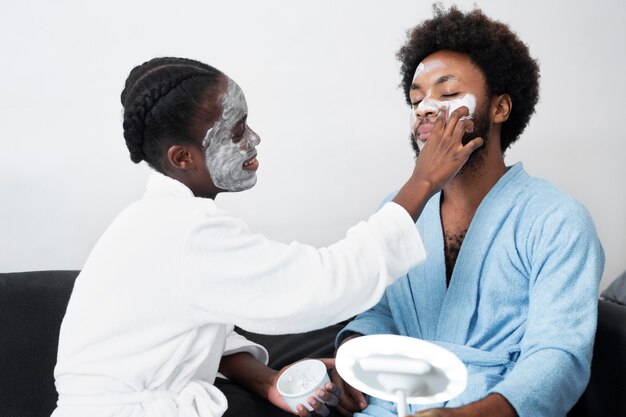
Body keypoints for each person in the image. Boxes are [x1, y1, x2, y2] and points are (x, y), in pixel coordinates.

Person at [51, 57, 482, 417]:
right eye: (235, 132)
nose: (254, 140)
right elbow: (324, 285)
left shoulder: (150, 222)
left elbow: (199, 326)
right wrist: (422, 182)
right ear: (182, 158)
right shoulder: (184, 232)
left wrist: (270, 380)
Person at [331, 6, 605, 417]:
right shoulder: (400, 209)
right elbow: (378, 310)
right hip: (386, 406)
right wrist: (355, 355)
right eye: (416, 98)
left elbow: (559, 355)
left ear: (499, 108)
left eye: (446, 93)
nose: (425, 108)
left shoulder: (558, 220)